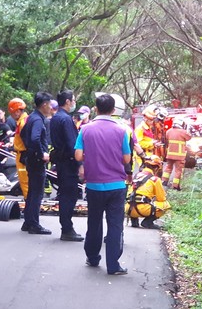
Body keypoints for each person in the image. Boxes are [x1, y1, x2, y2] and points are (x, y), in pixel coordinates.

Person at [75, 93, 131, 275]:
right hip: (116, 186)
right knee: (115, 225)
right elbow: (126, 158)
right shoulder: (122, 130)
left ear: (96, 109)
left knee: (94, 222)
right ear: (114, 110)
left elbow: (77, 155)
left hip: (94, 185)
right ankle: (113, 265)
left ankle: (92, 258)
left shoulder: (85, 129)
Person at [50, 90, 84, 242]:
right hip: (68, 162)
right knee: (69, 196)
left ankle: (66, 227)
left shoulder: (55, 117)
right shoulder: (66, 119)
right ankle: (67, 228)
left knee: (64, 194)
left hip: (60, 160)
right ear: (68, 101)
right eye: (73, 100)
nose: (73, 103)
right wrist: (80, 163)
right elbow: (72, 144)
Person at [20, 92, 53, 234]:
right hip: (36, 160)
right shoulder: (38, 120)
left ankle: (28, 222)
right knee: (37, 193)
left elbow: (23, 134)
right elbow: (35, 138)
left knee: (32, 191)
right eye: (50, 104)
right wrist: (41, 154)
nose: (51, 107)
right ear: (44, 104)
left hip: (30, 158)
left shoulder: (31, 117)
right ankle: (34, 224)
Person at [125, 155, 171, 229]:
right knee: (165, 205)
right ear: (156, 168)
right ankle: (147, 222)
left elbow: (129, 193)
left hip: (128, 209)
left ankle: (134, 219)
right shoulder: (155, 179)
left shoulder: (136, 176)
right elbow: (161, 198)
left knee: (134, 199)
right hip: (144, 210)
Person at [163, 118, 192, 190]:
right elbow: (189, 137)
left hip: (170, 154)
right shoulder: (183, 132)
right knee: (178, 170)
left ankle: (164, 181)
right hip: (179, 156)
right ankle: (175, 186)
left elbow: (166, 138)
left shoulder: (168, 131)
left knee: (168, 168)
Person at [8, 98, 29, 199]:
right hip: (21, 154)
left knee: (25, 182)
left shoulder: (23, 123)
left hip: (23, 155)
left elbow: (27, 141)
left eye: (12, 113)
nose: (11, 116)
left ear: (17, 111)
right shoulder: (23, 121)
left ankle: (29, 203)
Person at [43, 100, 59, 197]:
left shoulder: (48, 121)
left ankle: (47, 189)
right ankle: (47, 188)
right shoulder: (52, 120)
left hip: (49, 146)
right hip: (51, 145)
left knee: (47, 169)